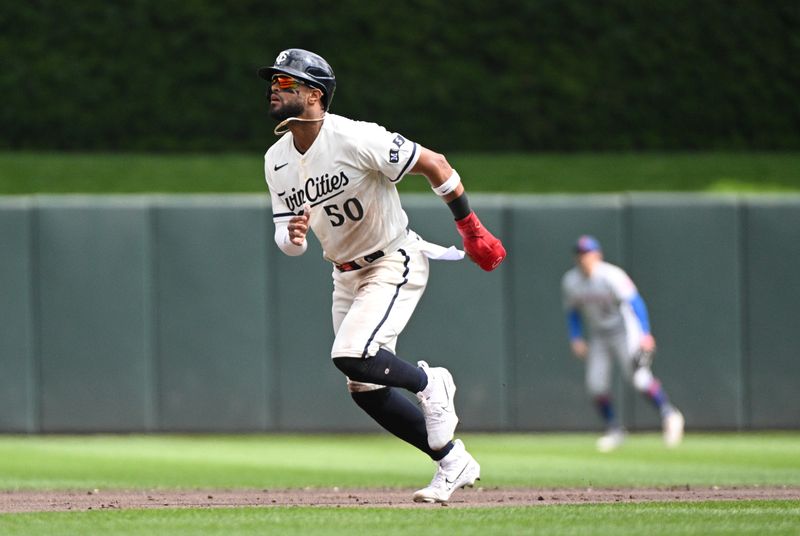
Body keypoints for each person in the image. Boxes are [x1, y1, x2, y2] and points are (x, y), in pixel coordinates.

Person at [257, 49, 506, 502]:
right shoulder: (277, 160)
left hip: (392, 258)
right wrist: (293, 235)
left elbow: (436, 163)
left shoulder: (355, 137)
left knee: (351, 354)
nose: (275, 87)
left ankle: (432, 383)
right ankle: (452, 461)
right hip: (344, 274)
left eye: (286, 82)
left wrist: (471, 229)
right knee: (364, 386)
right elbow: (288, 241)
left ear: (314, 94)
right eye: (273, 81)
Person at [561, 235, 684, 452]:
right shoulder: (571, 281)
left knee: (638, 379)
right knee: (596, 385)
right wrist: (576, 337)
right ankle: (614, 429)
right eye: (579, 254)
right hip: (599, 334)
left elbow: (635, 302)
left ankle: (670, 414)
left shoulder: (611, 275)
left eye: (587, 254)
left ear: (597, 255)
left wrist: (645, 333)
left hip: (624, 330)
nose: (583, 259)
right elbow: (572, 312)